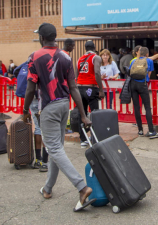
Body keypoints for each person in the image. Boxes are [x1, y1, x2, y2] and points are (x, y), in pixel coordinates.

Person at [22, 23, 95, 211]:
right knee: (56, 148)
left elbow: (30, 88)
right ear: (55, 37)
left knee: (53, 148)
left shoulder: (34, 57)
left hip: (48, 108)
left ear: (41, 38)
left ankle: (81, 187)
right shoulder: (65, 57)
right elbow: (73, 88)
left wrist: (24, 111)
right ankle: (47, 188)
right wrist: (83, 115)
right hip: (64, 105)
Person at [76, 40, 105, 147]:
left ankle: (83, 139)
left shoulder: (79, 59)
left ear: (85, 48)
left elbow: (77, 75)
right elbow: (97, 72)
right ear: (94, 47)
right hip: (91, 88)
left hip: (79, 88)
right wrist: (101, 90)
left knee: (82, 113)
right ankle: (94, 137)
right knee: (94, 113)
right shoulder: (96, 57)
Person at [129, 47, 158, 138]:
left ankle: (140, 130)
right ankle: (150, 130)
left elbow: (130, 72)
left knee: (137, 107)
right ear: (146, 54)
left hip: (133, 84)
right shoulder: (149, 60)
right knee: (147, 107)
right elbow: (149, 74)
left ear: (139, 53)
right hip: (142, 84)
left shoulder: (133, 61)